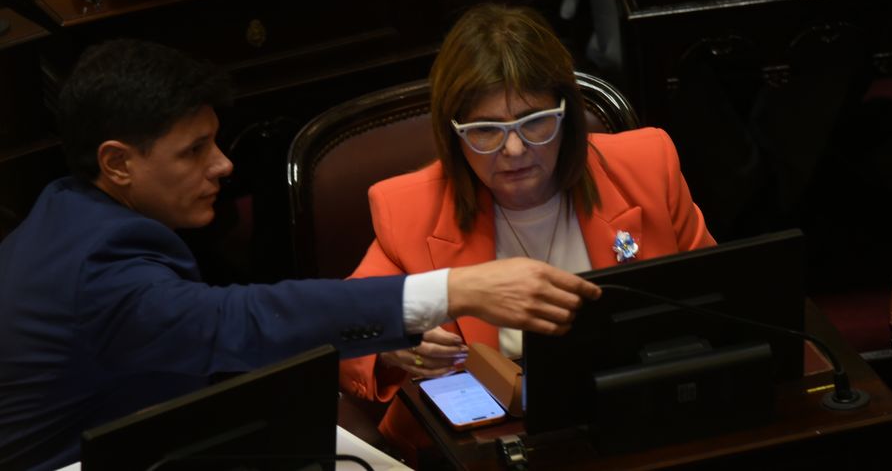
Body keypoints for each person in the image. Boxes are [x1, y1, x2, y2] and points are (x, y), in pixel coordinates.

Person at [0, 39, 600, 471]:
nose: (224, 165)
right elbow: (232, 322)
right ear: (118, 163)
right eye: (194, 151)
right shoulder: (100, 262)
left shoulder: (73, 212)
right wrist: (457, 290)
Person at [339, 3, 716, 457]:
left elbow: (713, 302)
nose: (514, 149)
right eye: (485, 130)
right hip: (491, 449)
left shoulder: (646, 166)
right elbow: (344, 326)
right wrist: (390, 344)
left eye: (535, 122)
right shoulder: (409, 207)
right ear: (453, 132)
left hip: (644, 422)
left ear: (566, 113)